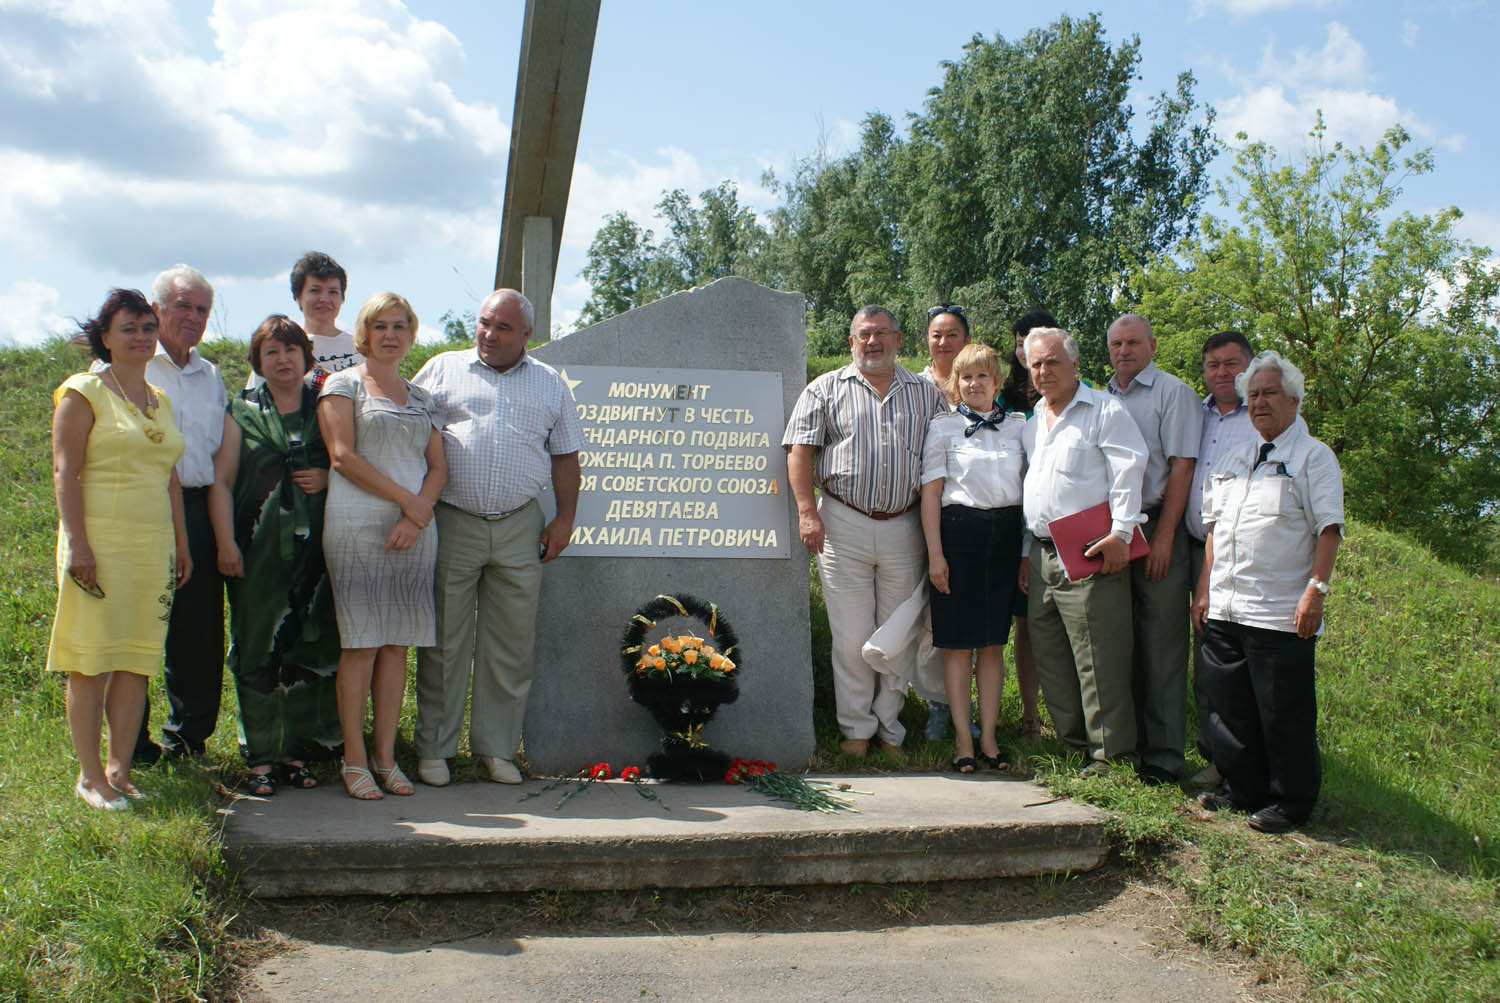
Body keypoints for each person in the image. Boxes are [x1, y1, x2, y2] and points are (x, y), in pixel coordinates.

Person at [410, 289, 582, 787]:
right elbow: (407, 431)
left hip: (519, 524)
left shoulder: (550, 384)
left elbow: (566, 457)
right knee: (444, 641)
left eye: (503, 327)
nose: (489, 334)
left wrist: (564, 519)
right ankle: (435, 749)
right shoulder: (443, 369)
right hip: (452, 520)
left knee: (510, 642)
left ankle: (497, 749)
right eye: (484, 323)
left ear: (526, 334)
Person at [784, 306, 946, 759]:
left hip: (906, 525)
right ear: (851, 341)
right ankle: (855, 730)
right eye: (863, 335)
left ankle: (891, 731)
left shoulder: (926, 394)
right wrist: (806, 513)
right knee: (852, 636)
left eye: (880, 334)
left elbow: (944, 461)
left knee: (898, 635)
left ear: (898, 339)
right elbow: (799, 453)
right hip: (842, 523)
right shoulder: (824, 389)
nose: (872, 342)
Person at [50, 289, 190, 808]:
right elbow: (65, 470)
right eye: (128, 328)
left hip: (151, 547)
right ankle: (89, 778)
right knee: (91, 662)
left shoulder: (163, 401)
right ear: (105, 337)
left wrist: (181, 542)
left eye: (148, 327)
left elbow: (171, 479)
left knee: (136, 662)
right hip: (99, 545)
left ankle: (120, 770)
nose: (140, 337)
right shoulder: (82, 391)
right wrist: (78, 546)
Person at [1193, 351, 1343, 833]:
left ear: (1294, 400)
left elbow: (1328, 529)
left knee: (1283, 714)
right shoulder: (1237, 459)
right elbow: (1215, 531)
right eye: (1252, 395)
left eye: (1269, 393)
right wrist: (1203, 592)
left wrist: (1315, 591)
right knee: (1230, 710)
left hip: (1278, 612)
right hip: (1226, 607)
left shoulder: (1313, 457)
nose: (1258, 403)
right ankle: (1243, 790)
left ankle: (1291, 802)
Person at [318, 292, 447, 800]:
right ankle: (354, 761)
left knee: (396, 647)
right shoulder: (342, 384)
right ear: (364, 334)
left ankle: (386, 758)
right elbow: (342, 456)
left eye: (400, 325)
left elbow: (437, 466)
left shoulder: (420, 397)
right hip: (357, 528)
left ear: (411, 333)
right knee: (362, 644)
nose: (390, 335)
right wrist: (407, 504)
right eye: (380, 326)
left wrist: (418, 514)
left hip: (413, 533)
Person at [208, 316, 342, 795]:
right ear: (258, 362)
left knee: (309, 652)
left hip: (320, 557)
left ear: (307, 356)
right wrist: (226, 543)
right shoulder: (239, 411)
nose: (283, 360)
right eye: (272, 352)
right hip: (256, 554)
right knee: (257, 651)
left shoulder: (328, 406)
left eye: (291, 350)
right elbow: (221, 482)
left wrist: (329, 478)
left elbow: (356, 461)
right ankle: (260, 756)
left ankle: (297, 752)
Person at [103, 265, 226, 763]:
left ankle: (188, 736)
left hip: (197, 508)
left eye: (202, 309)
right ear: (156, 310)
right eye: (182, 306)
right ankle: (129, 744)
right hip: (137, 508)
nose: (193, 317)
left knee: (198, 630)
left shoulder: (210, 374)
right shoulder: (126, 366)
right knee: (133, 626)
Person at [1019, 327, 1147, 774]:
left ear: (1075, 364)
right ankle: (1074, 746)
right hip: (1040, 553)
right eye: (1035, 364)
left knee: (1098, 657)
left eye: (1052, 362)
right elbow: (1032, 492)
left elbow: (1130, 470)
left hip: (1092, 550)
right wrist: (1023, 554)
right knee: (1050, 654)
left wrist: (1123, 533)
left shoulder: (1104, 411)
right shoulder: (1033, 423)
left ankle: (1111, 755)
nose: (1043, 371)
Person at [1104, 314, 1202, 785]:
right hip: (1112, 532)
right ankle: (1130, 744)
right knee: (1121, 644)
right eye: (1117, 343)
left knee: (1161, 645)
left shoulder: (1173, 393)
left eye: (1134, 342)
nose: (1124, 351)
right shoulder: (1101, 396)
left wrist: (1164, 536)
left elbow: (1182, 467)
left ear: (1152, 345)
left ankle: (1164, 757)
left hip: (1159, 524)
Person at [920, 344, 1025, 772]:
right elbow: (930, 494)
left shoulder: (1019, 428)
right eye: (966, 377)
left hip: (1005, 539)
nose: (974, 384)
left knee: (993, 645)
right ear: (955, 384)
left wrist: (1023, 555)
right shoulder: (943, 428)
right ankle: (964, 740)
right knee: (959, 646)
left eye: (982, 376)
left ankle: (991, 738)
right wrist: (935, 556)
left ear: (996, 382)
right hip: (958, 539)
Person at [1182, 330, 1259, 791]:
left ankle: (1228, 758)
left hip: (1236, 556)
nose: (1222, 373)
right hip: (1191, 544)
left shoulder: (1265, 415)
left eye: (1232, 364)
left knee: (1223, 655)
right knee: (1200, 651)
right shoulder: (1200, 413)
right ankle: (1207, 747)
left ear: (1248, 367)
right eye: (1213, 365)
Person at [916, 303, 972, 741]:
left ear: (965, 340)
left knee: (963, 619)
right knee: (925, 621)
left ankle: (963, 709)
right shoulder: (913, 387)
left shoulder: (980, 384)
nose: (943, 342)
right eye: (936, 334)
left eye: (952, 334)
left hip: (970, 521)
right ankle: (933, 705)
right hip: (919, 514)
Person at [1000, 309, 1056, 742]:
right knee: (1023, 625)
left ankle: (1063, 715)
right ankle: (1029, 715)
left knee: (1056, 624)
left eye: (1033, 340)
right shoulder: (1000, 398)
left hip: (1059, 528)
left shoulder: (1076, 393)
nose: (1025, 349)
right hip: (1012, 524)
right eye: (1020, 341)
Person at [247, 252, 363, 390]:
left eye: (333, 292)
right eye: (315, 291)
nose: (324, 299)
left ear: (342, 298)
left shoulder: (361, 347)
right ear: (297, 296)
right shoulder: (279, 348)